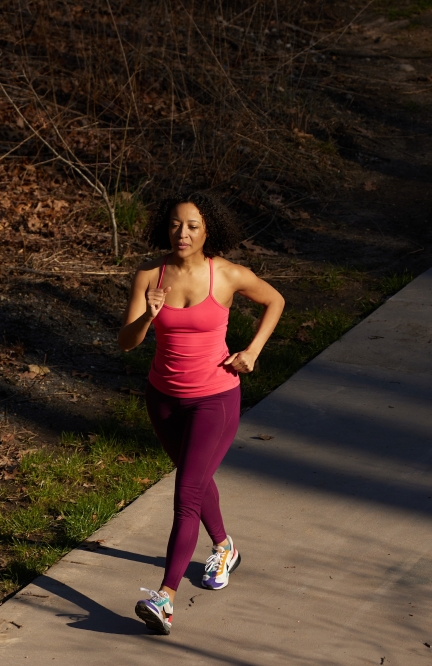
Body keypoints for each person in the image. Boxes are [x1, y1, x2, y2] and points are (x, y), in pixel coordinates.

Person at [117, 191, 285, 635]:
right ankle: (225, 547)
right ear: (164, 228)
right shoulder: (149, 277)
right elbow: (127, 343)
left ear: (209, 229)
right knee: (197, 479)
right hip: (164, 399)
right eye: (175, 224)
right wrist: (148, 317)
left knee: (185, 492)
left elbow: (275, 301)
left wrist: (252, 351)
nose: (183, 233)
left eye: (192, 225)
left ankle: (165, 598)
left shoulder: (226, 275)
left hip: (215, 398)